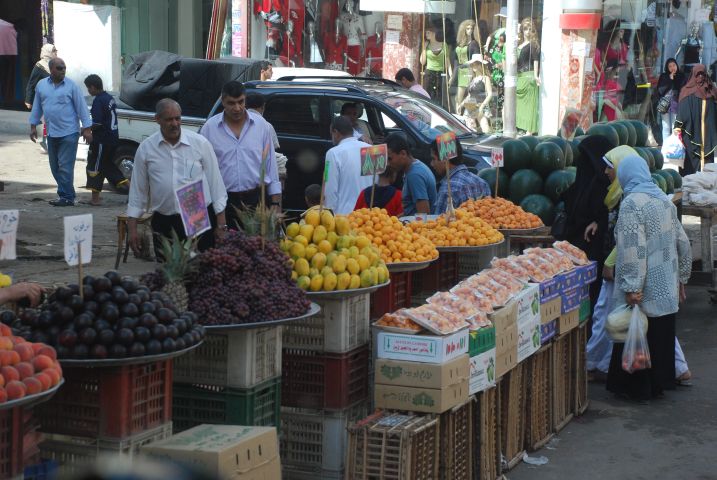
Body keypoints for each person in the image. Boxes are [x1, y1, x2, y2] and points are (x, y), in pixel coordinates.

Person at [588, 147, 691, 385]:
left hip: (644, 288)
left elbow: (633, 249)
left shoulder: (632, 203)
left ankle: (638, 388)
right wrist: (682, 279)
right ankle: (662, 383)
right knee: (661, 336)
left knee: (638, 334)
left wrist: (632, 287)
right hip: (666, 285)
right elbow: (683, 242)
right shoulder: (663, 201)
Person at [127, 99, 228, 258]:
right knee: (169, 274)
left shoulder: (200, 144)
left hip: (196, 215)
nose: (174, 123)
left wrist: (221, 224)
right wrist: (132, 228)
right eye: (169, 119)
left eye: (177, 118)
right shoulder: (147, 148)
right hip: (164, 221)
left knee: (199, 269)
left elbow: (216, 185)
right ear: (157, 119)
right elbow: (137, 192)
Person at [200, 81, 281, 229]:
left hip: (256, 200)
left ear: (245, 100)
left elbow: (271, 166)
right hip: (223, 203)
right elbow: (203, 170)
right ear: (223, 101)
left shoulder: (261, 125)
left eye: (241, 102)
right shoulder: (209, 129)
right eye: (231, 103)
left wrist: (275, 203)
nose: (237, 108)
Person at [29, 57, 93, 207]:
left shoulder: (71, 86)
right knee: (55, 166)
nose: (63, 70)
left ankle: (66, 196)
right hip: (51, 132)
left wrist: (87, 128)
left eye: (64, 68)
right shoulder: (41, 85)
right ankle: (68, 194)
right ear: (51, 69)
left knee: (65, 165)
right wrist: (33, 125)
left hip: (69, 132)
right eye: (59, 68)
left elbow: (82, 108)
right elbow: (37, 106)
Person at [561, 134, 616, 306]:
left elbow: (611, 212)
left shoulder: (606, 185)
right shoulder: (589, 181)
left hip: (594, 250)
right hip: (580, 249)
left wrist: (599, 221)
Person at [83, 74, 128, 206]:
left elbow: (97, 123)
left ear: (92, 87)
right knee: (107, 166)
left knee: (94, 166)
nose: (88, 91)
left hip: (102, 140)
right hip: (113, 139)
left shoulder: (98, 101)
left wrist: (84, 129)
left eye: (88, 88)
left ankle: (95, 199)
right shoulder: (109, 98)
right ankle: (132, 189)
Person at [324, 116, 372, 215]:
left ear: (336, 132)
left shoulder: (333, 153)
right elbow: (375, 182)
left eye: (331, 134)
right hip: (369, 216)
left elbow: (330, 188)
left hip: (344, 216)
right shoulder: (370, 149)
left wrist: (329, 213)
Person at [674, 64, 717, 175]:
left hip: (708, 134)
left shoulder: (711, 91)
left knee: (708, 165)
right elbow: (682, 112)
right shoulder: (686, 91)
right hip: (691, 133)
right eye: (698, 74)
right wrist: (678, 127)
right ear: (693, 75)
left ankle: (707, 183)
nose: (701, 77)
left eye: (703, 74)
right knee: (690, 163)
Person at [430, 140, 490, 214]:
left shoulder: (448, 190)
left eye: (433, 159)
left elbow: (440, 222)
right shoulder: (482, 183)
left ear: (444, 160)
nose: (432, 164)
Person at [386, 132, 436, 216]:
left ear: (403, 154)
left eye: (390, 158)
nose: (387, 163)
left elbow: (423, 215)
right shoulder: (414, 168)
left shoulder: (414, 175)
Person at [245, 91, 287, 186]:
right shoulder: (267, 126)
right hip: (260, 174)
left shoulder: (237, 124)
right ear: (263, 106)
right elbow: (273, 150)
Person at [24, 43, 56, 152]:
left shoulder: (55, 65)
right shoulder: (40, 66)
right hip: (44, 98)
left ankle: (47, 141)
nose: (56, 53)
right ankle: (46, 142)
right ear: (48, 52)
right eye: (54, 51)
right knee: (48, 120)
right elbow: (31, 83)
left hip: (55, 98)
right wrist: (28, 99)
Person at [656, 58, 685, 144]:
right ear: (667, 67)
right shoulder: (664, 76)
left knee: (674, 127)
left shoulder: (681, 76)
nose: (672, 68)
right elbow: (660, 90)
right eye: (670, 66)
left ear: (677, 65)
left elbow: (682, 89)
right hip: (665, 105)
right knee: (666, 126)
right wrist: (669, 79)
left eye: (674, 65)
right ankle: (666, 147)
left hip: (676, 105)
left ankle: (674, 146)